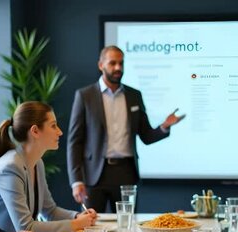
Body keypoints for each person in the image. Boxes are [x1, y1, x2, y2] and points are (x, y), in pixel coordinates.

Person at [67, 45, 185, 212]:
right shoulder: (85, 96)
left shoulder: (134, 95)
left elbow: (146, 135)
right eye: (112, 63)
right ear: (101, 65)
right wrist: (76, 181)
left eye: (121, 63)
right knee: (91, 228)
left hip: (126, 173)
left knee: (126, 228)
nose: (118, 68)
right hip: (94, 175)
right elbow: (75, 142)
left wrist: (164, 126)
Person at [0, 102, 97, 232]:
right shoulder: (10, 168)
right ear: (35, 131)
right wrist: (76, 224)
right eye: (53, 126)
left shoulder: (37, 163)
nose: (60, 132)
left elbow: (50, 211)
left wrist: (77, 216)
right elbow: (26, 227)